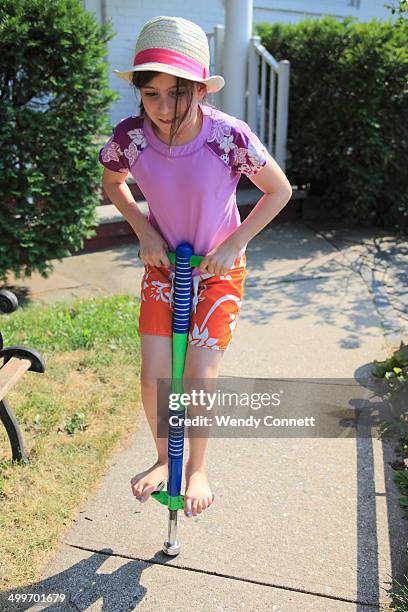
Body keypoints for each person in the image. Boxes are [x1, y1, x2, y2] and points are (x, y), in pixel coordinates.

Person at [98, 15, 292, 518]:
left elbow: (279, 190)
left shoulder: (228, 136)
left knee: (199, 377)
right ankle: (165, 459)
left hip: (217, 271)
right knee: (154, 375)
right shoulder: (131, 137)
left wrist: (236, 242)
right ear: (138, 94)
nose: (164, 108)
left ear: (201, 90)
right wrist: (144, 231)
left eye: (177, 93)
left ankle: (198, 468)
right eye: (151, 94)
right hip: (164, 267)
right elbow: (113, 184)